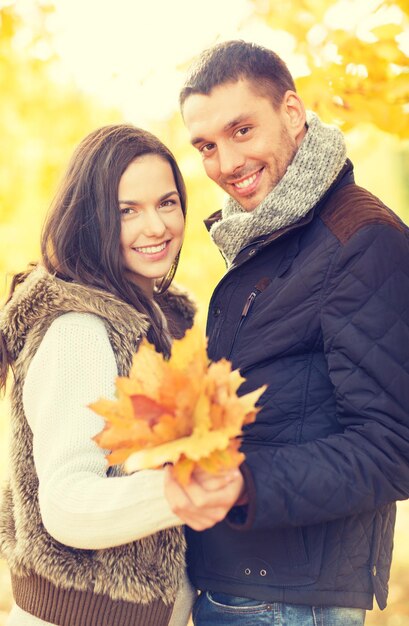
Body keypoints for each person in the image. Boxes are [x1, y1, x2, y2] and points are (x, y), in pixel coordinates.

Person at [163, 40, 409, 625]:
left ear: (293, 115)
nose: (225, 163)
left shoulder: (359, 240)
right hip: (246, 583)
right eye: (206, 147)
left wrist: (244, 483)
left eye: (241, 130)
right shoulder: (274, 237)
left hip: (290, 601)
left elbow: (393, 447)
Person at [0, 123, 209, 626]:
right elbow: (68, 505)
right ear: (89, 219)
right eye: (126, 211)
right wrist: (188, 492)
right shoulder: (81, 330)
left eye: (167, 202)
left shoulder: (159, 320)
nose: (156, 226)